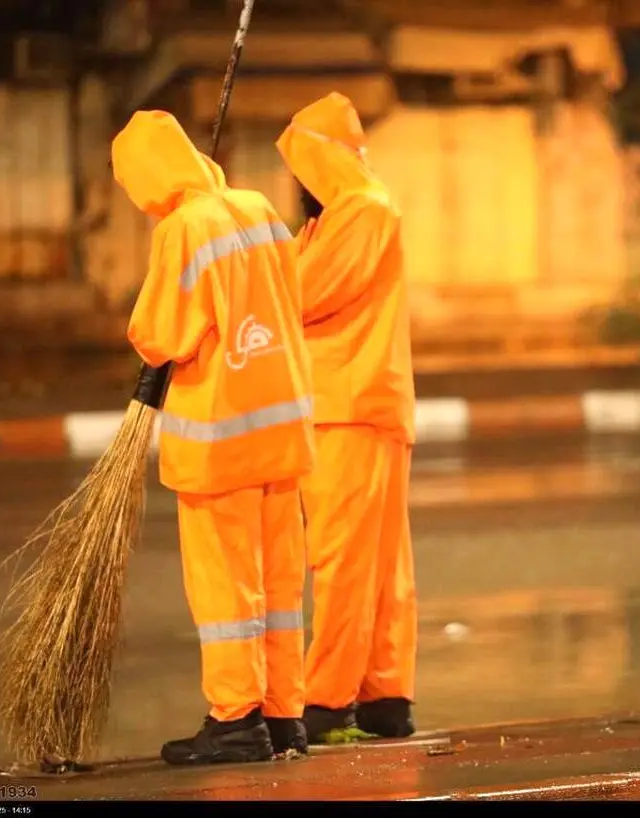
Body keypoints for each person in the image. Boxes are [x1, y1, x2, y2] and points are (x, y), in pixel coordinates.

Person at [112, 109, 315, 765]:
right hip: (282, 427)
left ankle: (235, 722)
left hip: (221, 437)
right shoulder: (258, 208)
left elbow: (160, 334)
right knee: (279, 585)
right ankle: (284, 716)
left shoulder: (184, 228)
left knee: (227, 589)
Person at [275, 92, 418, 742]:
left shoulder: (361, 210)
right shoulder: (336, 219)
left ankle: (327, 698)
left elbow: (299, 295)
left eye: (298, 169)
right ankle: (384, 695)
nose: (295, 185)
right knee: (379, 563)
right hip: (360, 404)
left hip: (348, 407)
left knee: (341, 559)